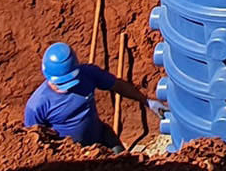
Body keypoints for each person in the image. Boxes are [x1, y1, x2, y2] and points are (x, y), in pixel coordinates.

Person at [23, 42, 151, 149]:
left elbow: (117, 85)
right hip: (73, 155)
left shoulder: (88, 74)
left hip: (101, 137)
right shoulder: (37, 105)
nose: (67, 87)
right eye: (60, 84)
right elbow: (35, 140)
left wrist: (145, 100)